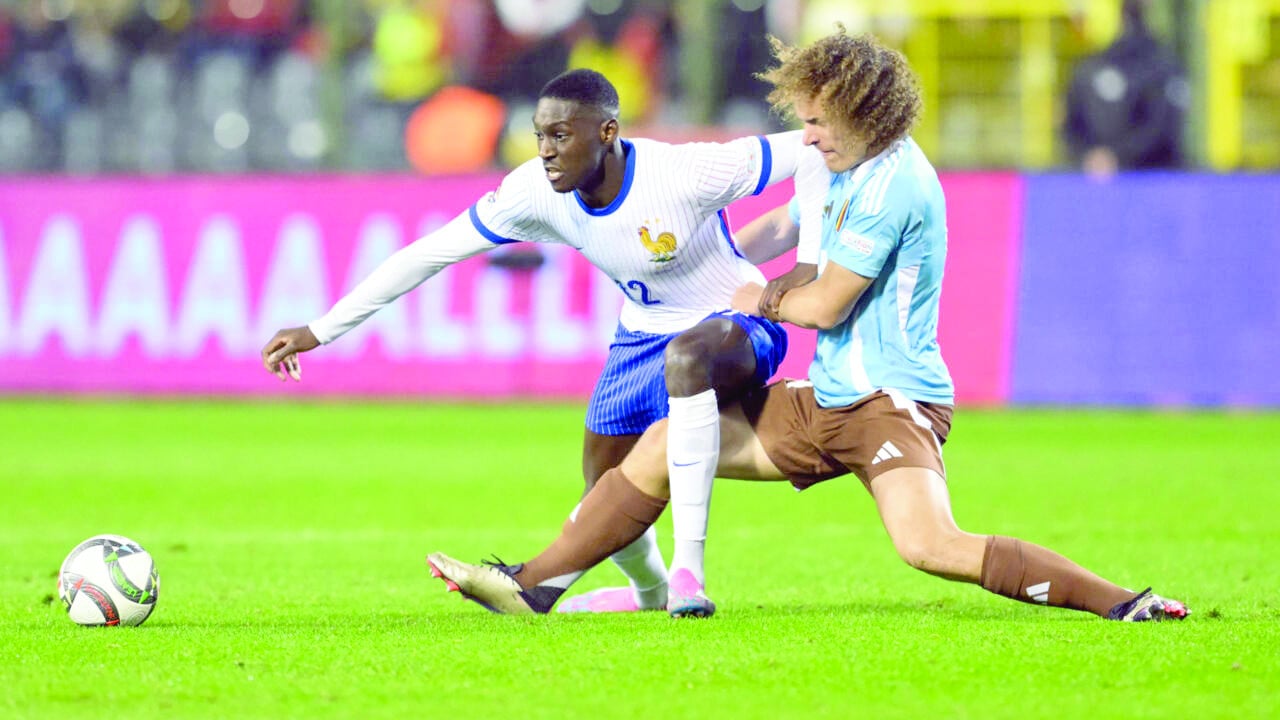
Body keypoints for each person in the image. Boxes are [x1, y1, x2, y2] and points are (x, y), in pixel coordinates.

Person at [425, 30, 1190, 623]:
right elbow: (782, 228)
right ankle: (533, 586)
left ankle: (1122, 601)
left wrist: (758, 300)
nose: (810, 138)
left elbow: (823, 306)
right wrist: (714, 267)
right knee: (664, 441)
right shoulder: (846, 166)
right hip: (826, 399)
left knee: (929, 546)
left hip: (891, 402)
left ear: (862, 113)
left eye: (818, 123)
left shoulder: (896, 184)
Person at [261, 68, 821, 617]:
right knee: (601, 489)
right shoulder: (533, 191)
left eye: (560, 135)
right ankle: (650, 592)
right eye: (539, 136)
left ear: (607, 132)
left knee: (690, 358)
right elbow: (428, 253)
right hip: (642, 334)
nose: (546, 151)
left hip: (735, 320)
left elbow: (817, 148)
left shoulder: (684, 170)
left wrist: (810, 262)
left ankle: (688, 574)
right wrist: (321, 329)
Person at [1063, 0, 1187, 177]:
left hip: (1150, 179)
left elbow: (1161, 125)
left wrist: (1116, 156)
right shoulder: (1086, 69)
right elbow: (1071, 127)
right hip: (1097, 179)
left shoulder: (1159, 62)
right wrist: (1088, 156)